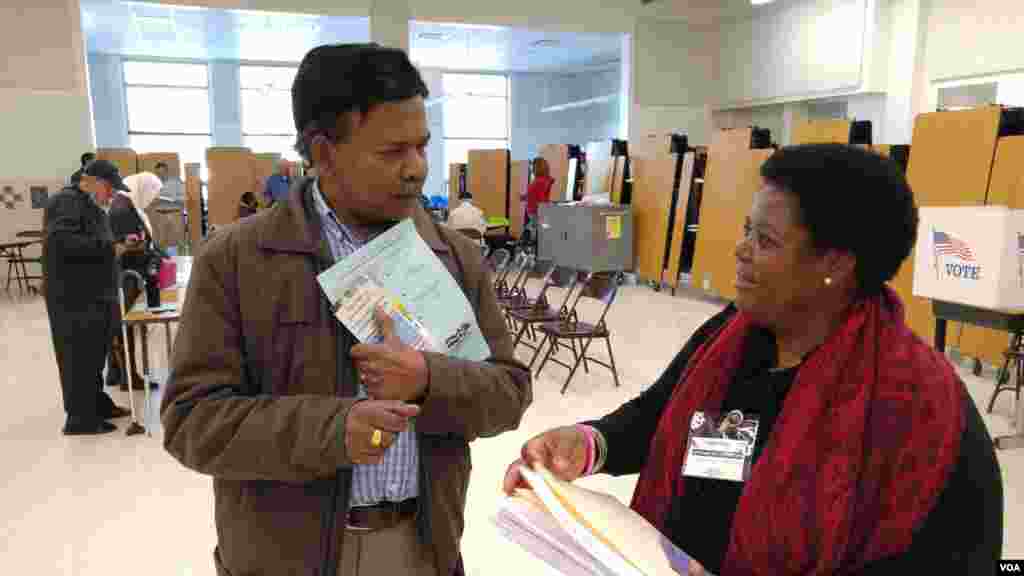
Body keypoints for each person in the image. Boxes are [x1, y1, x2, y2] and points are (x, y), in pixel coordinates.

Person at [504, 144, 1003, 575]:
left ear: (835, 265)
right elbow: (658, 414)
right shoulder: (734, 339)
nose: (739, 251)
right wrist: (589, 444)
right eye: (747, 231)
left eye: (764, 240)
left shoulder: (920, 410)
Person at [161, 43, 531, 576]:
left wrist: (430, 380)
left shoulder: (453, 256)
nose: (416, 169)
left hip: (421, 546)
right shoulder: (238, 259)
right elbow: (191, 420)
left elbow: (508, 394)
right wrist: (334, 430)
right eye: (392, 152)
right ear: (323, 150)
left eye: (422, 147)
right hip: (286, 558)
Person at [44, 160, 134, 435]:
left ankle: (96, 402)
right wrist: (109, 249)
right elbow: (61, 243)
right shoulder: (66, 201)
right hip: (73, 297)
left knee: (94, 353)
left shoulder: (88, 205)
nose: (111, 195)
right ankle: (80, 418)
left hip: (93, 295)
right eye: (109, 188)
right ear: (93, 181)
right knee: (78, 356)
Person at [108, 171, 164, 390]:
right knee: (125, 329)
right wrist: (150, 253)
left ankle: (117, 373)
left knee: (120, 329)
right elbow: (127, 245)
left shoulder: (127, 204)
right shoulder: (123, 209)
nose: (152, 197)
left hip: (127, 275)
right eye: (152, 192)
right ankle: (128, 377)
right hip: (127, 277)